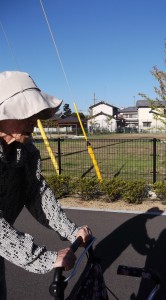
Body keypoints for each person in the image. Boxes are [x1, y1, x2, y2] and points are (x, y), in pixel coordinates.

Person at [0, 71, 92, 299]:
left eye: (36, 113)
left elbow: (37, 195)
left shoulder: (27, 152)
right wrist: (46, 258)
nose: (34, 120)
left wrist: (70, 231)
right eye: (25, 112)